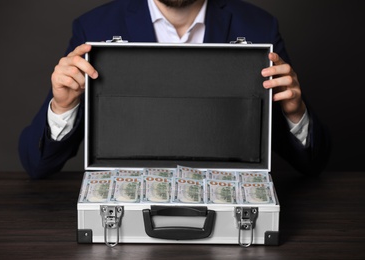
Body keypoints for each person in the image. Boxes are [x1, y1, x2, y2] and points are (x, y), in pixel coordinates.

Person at [19, 0, 331, 179]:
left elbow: (312, 164)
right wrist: (63, 107)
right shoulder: (95, 27)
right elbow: (38, 164)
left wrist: (295, 112)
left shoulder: (259, 27)